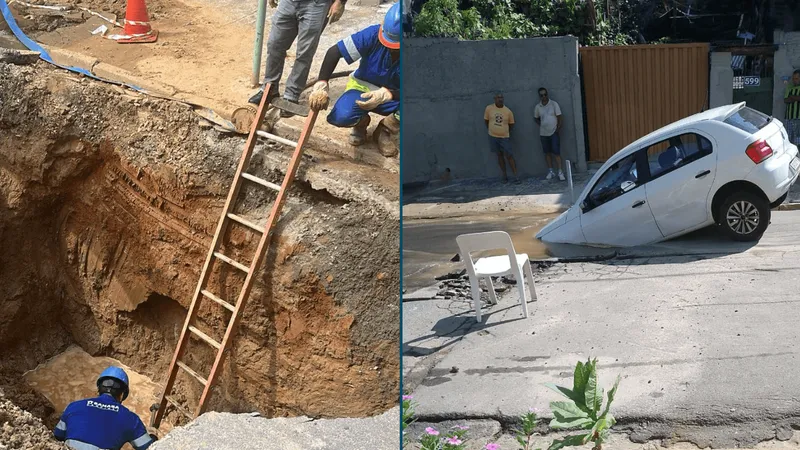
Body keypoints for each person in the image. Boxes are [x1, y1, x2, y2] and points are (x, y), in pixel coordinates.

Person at [307, 2, 400, 149]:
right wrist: (322, 82)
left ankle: (386, 129)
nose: (390, 48)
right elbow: (334, 52)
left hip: (394, 98)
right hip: (361, 92)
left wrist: (389, 94)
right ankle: (361, 122)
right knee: (340, 116)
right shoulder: (373, 34)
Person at [248, 0, 346, 118]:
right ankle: (269, 89)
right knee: (274, 44)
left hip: (316, 5)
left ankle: (291, 95)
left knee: (304, 53)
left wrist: (340, 2)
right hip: (288, 2)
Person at [53, 366, 157, 450]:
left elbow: (57, 436)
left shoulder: (74, 406)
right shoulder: (131, 419)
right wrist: (153, 436)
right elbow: (148, 447)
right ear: (122, 394)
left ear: (99, 388)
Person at [484, 92, 518, 183]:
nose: (500, 99)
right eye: (498, 97)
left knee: (509, 155)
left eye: (501, 97)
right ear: (494, 99)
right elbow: (486, 121)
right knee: (499, 155)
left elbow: (511, 124)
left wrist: (504, 131)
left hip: (504, 137)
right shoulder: (489, 108)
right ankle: (504, 175)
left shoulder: (508, 111)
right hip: (493, 137)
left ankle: (516, 176)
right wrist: (492, 130)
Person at [534, 87, 565, 181]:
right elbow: (536, 118)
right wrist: (542, 124)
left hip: (553, 132)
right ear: (539, 96)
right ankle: (551, 171)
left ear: (547, 94)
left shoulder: (554, 104)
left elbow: (559, 117)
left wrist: (557, 129)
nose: (544, 96)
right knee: (547, 153)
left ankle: (560, 172)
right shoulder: (537, 107)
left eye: (545, 94)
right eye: (541, 95)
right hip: (543, 134)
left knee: (556, 152)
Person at [785, 70, 800, 145]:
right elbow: (786, 100)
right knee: (788, 139)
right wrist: (795, 98)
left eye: (796, 79)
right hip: (788, 117)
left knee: (797, 139)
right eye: (793, 79)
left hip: (798, 118)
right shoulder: (789, 87)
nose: (794, 81)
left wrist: (791, 97)